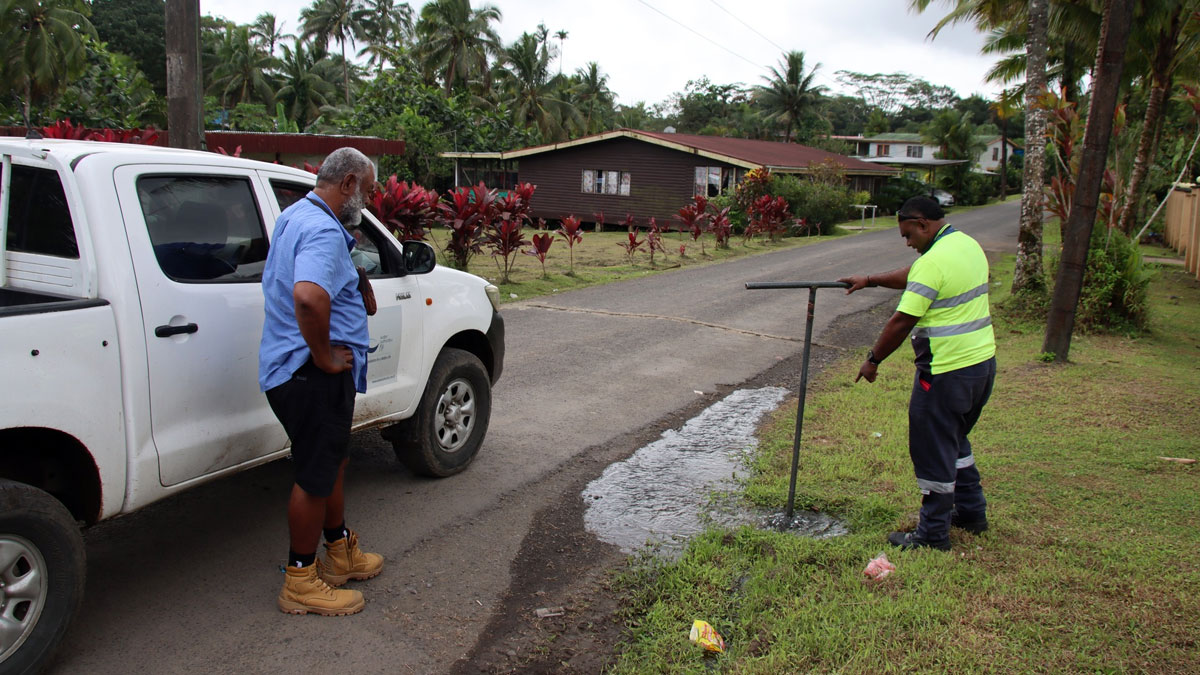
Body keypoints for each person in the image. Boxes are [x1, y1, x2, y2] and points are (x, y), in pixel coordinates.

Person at [259, 147, 383, 615]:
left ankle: (339, 550)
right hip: (309, 374)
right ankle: (300, 581)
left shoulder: (296, 215)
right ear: (348, 183)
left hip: (293, 368)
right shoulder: (323, 230)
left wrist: (352, 280)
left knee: (331, 463)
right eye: (367, 190)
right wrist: (324, 357)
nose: (368, 200)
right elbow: (308, 297)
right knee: (315, 476)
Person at [838, 196, 996, 552]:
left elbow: (902, 321)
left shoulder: (933, 261)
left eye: (908, 235)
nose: (907, 243)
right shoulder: (965, 245)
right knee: (955, 441)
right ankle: (972, 512)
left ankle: (932, 535)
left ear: (923, 223)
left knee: (932, 448)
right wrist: (870, 280)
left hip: (945, 372)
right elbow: (915, 274)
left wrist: (873, 360)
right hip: (981, 366)